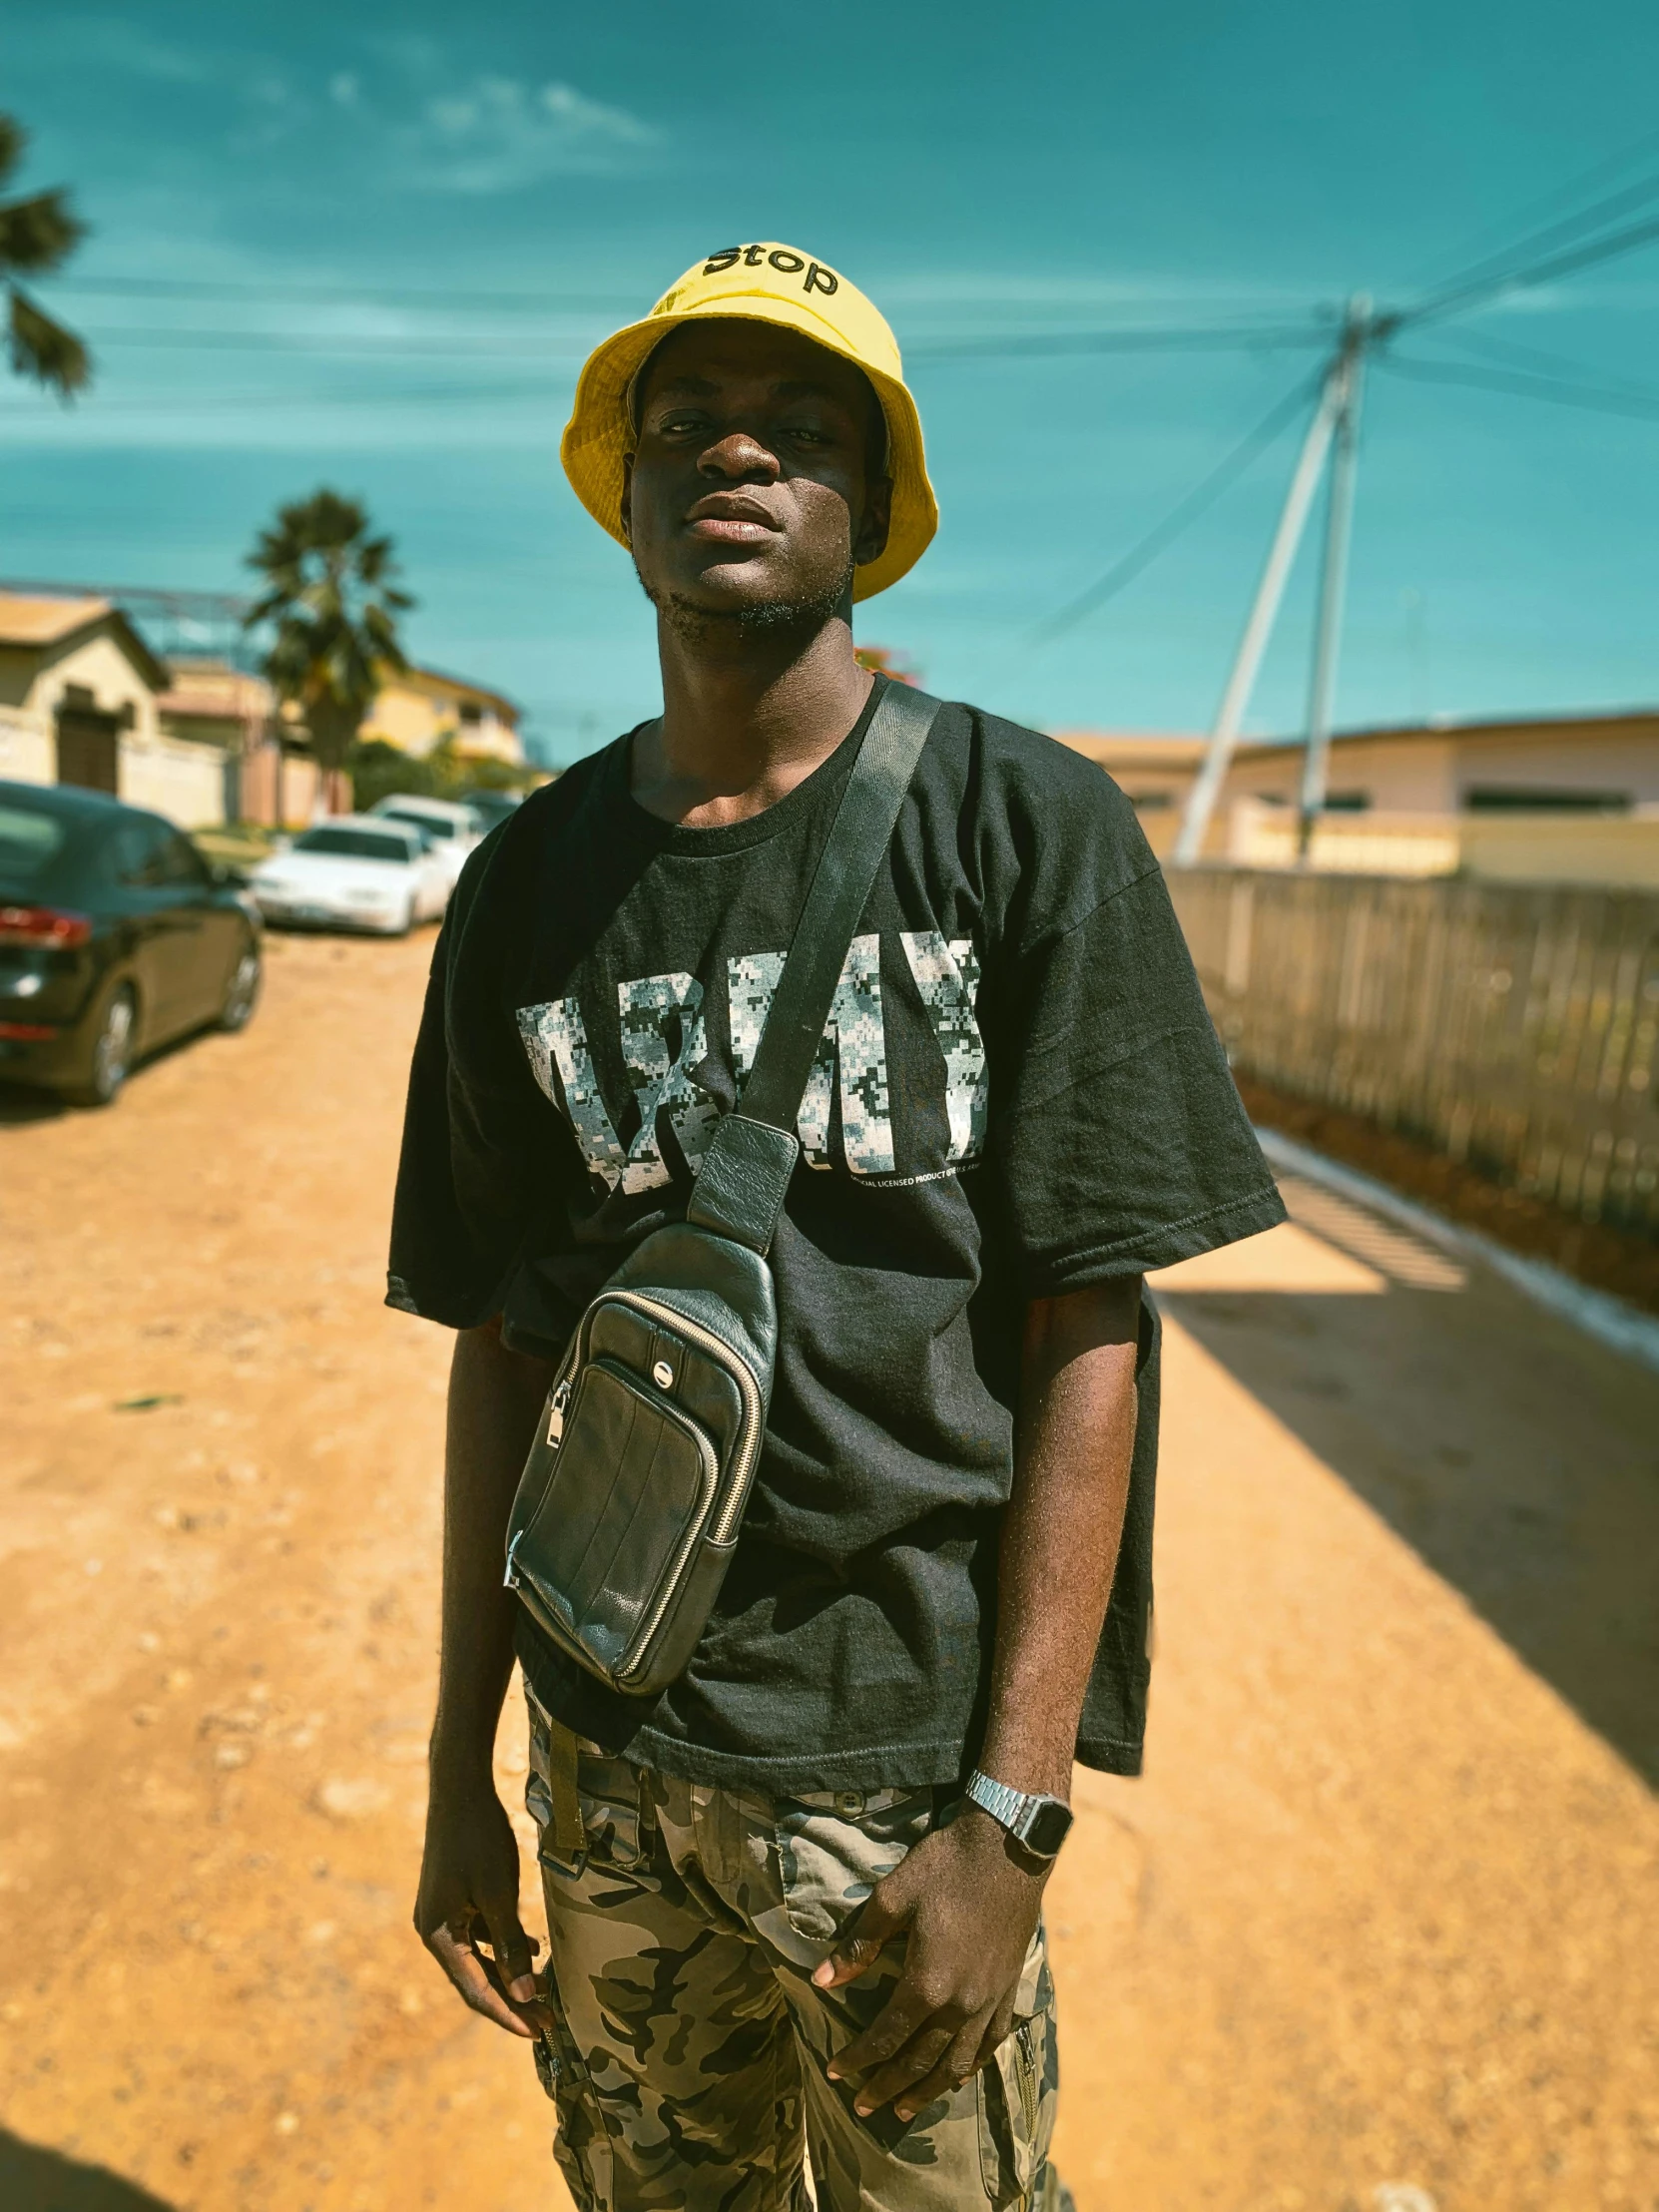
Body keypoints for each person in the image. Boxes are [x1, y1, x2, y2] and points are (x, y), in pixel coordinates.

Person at [391, 242, 1285, 2212]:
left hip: (894, 1780)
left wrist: (1008, 1819)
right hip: (608, 1758)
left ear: (869, 517)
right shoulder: (524, 885)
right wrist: (463, 1761)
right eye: (689, 419)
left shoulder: (1021, 825)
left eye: (806, 430)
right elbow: (503, 1346)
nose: (740, 453)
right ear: (621, 489)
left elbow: (1090, 1333)